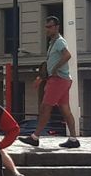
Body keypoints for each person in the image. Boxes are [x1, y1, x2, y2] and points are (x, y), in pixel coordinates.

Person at [18, 16, 81, 149]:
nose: (47, 29)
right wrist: (41, 77)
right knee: (65, 110)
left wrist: (56, 68)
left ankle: (35, 137)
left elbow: (67, 55)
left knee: (45, 107)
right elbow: (49, 64)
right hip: (62, 79)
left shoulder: (59, 42)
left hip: (58, 80)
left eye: (49, 26)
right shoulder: (53, 43)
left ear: (57, 27)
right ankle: (73, 139)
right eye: (46, 26)